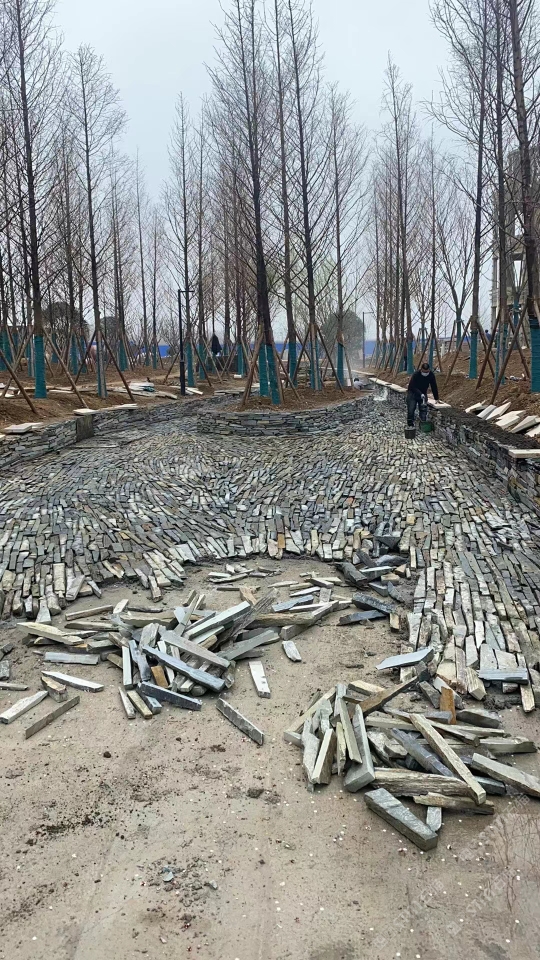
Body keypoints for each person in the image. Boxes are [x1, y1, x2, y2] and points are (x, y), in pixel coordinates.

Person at [406, 361, 439, 426]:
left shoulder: (431, 375)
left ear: (429, 370)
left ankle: (423, 424)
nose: (425, 373)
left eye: (427, 372)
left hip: (423, 393)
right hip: (412, 393)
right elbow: (412, 386)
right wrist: (420, 393)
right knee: (411, 409)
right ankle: (410, 425)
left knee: (423, 409)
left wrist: (436, 398)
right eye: (424, 372)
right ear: (421, 370)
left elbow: (434, 386)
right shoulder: (416, 374)